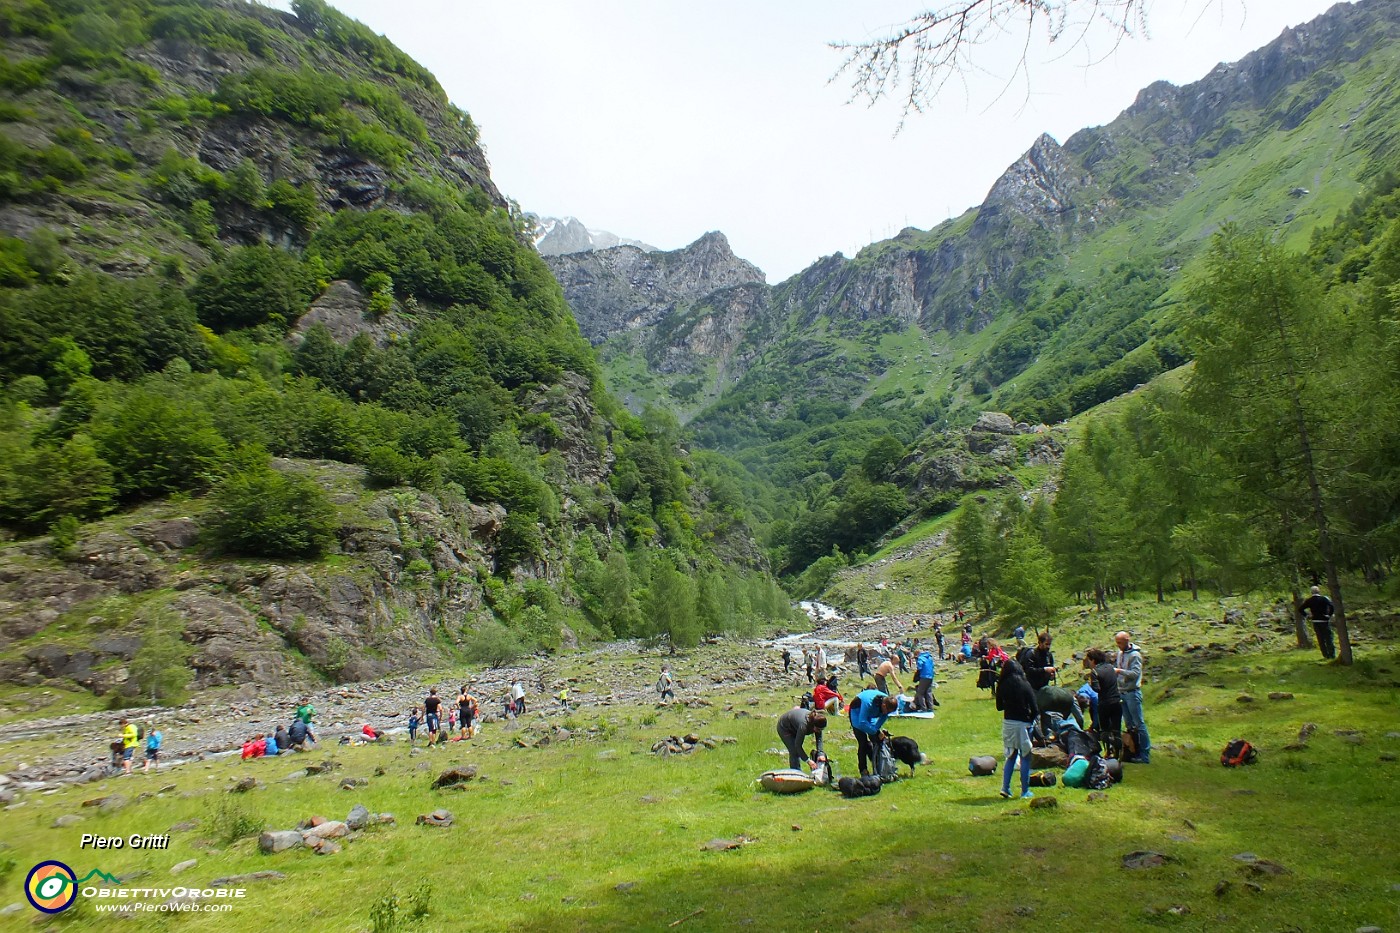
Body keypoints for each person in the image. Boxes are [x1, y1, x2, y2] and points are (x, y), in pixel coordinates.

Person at [995, 659, 1038, 799]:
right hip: (1023, 724)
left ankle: (1005, 787)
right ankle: (1025, 791)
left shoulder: (1001, 686)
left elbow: (999, 707)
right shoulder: (1024, 684)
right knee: (1025, 756)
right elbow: (1035, 708)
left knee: (1011, 756)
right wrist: (1031, 720)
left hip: (1008, 723)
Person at [1114, 631, 1151, 764]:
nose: (1118, 645)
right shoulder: (1119, 654)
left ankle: (1145, 755)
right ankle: (1133, 751)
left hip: (1132, 693)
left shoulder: (1135, 655)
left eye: (1120, 642)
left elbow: (1135, 674)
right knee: (1129, 724)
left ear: (1127, 640)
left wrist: (1119, 671)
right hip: (1122, 692)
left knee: (1139, 724)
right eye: (1117, 643)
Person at [847, 689, 899, 778]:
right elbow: (862, 722)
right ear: (883, 705)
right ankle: (863, 770)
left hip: (871, 714)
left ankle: (880, 766)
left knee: (877, 740)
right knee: (863, 743)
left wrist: (876, 732)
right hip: (857, 713)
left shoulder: (887, 705)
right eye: (887, 711)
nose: (887, 714)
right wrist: (875, 731)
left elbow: (882, 718)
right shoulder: (868, 703)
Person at [1084, 648, 1122, 759]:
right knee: (1116, 730)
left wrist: (1091, 685)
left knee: (1105, 730)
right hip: (1116, 701)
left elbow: (1097, 689)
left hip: (1104, 703)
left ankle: (1108, 752)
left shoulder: (1095, 672)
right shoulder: (1111, 667)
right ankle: (1118, 755)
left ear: (1093, 660)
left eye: (1089, 661)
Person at [1300, 585, 1336, 660]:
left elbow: (1300, 609)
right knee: (1328, 638)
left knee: (1320, 639)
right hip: (1324, 620)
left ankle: (1325, 655)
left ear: (1311, 592)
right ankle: (1332, 654)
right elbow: (1332, 606)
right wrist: (1329, 615)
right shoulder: (1324, 599)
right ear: (1319, 591)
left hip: (1315, 621)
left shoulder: (1309, 600)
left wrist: (1307, 615)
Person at [914, 646, 937, 710]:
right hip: (930, 676)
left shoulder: (920, 658)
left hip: (924, 676)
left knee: (920, 693)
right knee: (928, 692)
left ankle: (923, 708)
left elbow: (919, 667)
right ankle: (931, 707)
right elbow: (932, 666)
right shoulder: (929, 657)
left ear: (917, 654)